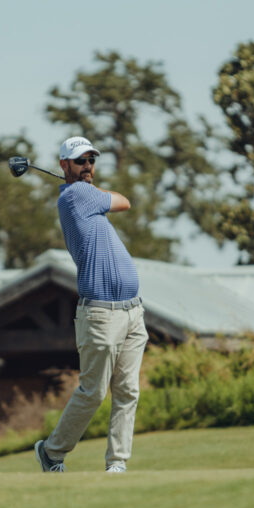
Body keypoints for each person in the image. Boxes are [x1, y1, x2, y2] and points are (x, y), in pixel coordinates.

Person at [35, 136, 148, 473]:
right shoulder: (77, 195)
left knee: (127, 391)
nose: (87, 166)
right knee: (93, 392)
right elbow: (125, 202)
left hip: (132, 310)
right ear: (64, 165)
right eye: (80, 161)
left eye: (91, 160)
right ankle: (52, 452)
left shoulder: (85, 196)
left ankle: (117, 464)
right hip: (101, 314)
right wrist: (93, 189)